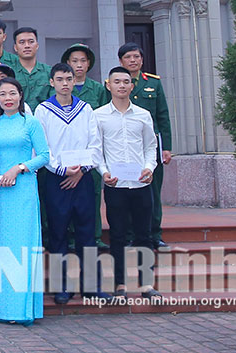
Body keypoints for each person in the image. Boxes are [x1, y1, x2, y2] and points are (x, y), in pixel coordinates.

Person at [0, 77, 49, 325]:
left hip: (22, 191)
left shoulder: (30, 123)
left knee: (20, 246)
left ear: (20, 95)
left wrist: (19, 168)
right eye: (2, 94)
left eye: (12, 93)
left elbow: (44, 156)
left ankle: (20, 309)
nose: (7, 98)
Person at [33, 62, 103, 304]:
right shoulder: (43, 110)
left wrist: (81, 170)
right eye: (60, 79)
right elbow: (41, 147)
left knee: (87, 233)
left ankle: (91, 286)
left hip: (82, 178)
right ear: (52, 82)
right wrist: (61, 169)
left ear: (75, 81)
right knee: (58, 233)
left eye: (68, 79)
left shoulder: (85, 109)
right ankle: (61, 286)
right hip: (55, 179)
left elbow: (95, 144)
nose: (64, 83)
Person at [94, 67, 161, 301]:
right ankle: (120, 283)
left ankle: (146, 284)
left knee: (144, 235)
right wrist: (103, 173)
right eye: (117, 82)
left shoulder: (143, 114)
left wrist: (149, 168)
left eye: (126, 82)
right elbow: (96, 150)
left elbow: (151, 146)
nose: (121, 86)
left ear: (132, 86)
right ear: (108, 85)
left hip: (141, 184)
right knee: (119, 235)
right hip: (115, 185)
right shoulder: (99, 115)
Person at [118, 43, 172, 250]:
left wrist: (166, 147)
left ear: (142, 59)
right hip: (126, 146)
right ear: (121, 61)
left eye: (136, 57)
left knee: (153, 191)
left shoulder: (154, 83)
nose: (133, 60)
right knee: (129, 190)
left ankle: (154, 234)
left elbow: (163, 116)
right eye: (128, 57)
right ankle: (133, 234)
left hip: (151, 145)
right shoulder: (115, 83)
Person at [62, 42, 111, 249]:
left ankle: (96, 236)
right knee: (69, 194)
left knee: (92, 194)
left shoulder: (98, 89)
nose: (79, 65)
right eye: (74, 61)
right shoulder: (62, 88)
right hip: (68, 151)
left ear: (89, 63)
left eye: (83, 60)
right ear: (67, 63)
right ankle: (71, 236)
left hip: (91, 151)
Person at [13, 27, 52, 110]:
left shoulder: (49, 72)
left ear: (37, 45)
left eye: (31, 42)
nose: (27, 46)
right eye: (22, 42)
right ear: (15, 47)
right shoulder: (9, 73)